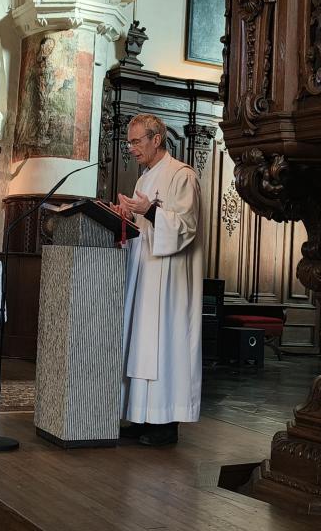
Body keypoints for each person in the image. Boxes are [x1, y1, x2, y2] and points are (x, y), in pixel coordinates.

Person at [114, 114, 204, 446]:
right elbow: (142, 227)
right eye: (128, 142)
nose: (131, 148)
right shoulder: (144, 179)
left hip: (169, 281)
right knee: (140, 344)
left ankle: (165, 423)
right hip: (144, 273)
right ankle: (140, 416)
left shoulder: (183, 175)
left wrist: (150, 211)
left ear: (156, 139)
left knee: (164, 346)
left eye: (136, 141)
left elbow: (186, 226)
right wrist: (123, 216)